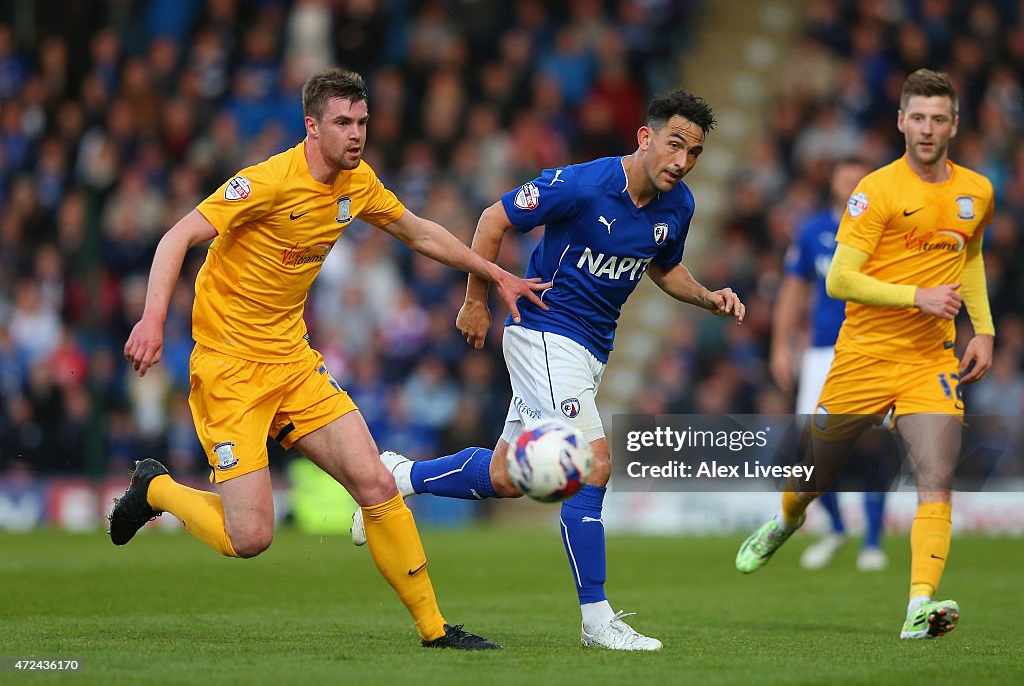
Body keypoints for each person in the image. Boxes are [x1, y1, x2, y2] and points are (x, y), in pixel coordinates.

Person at [110, 67, 552, 650]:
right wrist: (152, 318)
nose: (356, 134)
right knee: (252, 537)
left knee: (375, 481)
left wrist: (493, 273)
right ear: (312, 127)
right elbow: (175, 238)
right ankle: (156, 489)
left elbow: (418, 233)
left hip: (292, 361)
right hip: (229, 370)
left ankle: (435, 629)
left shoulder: (357, 183)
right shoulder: (265, 182)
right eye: (343, 123)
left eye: (363, 122)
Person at [352, 91, 745, 650]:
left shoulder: (677, 206)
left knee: (508, 477)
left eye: (694, 153)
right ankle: (597, 620)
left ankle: (400, 477)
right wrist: (475, 301)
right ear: (645, 137)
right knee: (593, 465)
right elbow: (493, 219)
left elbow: (665, 268)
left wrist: (708, 298)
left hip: (590, 352)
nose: (681, 162)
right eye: (675, 145)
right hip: (543, 332)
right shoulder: (582, 185)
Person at [736, 69, 995, 640]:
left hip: (931, 359)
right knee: (815, 477)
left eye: (938, 119)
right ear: (902, 121)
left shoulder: (977, 191)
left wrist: (984, 329)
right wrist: (917, 296)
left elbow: (968, 256)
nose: (928, 129)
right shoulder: (874, 192)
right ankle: (784, 520)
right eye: (918, 118)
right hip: (862, 357)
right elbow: (840, 281)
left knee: (936, 478)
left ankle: (918, 608)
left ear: (954, 124)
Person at [770, 157, 890, 573]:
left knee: (871, 441)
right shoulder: (814, 230)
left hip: (872, 347)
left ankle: (873, 540)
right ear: (835, 186)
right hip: (823, 350)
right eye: (844, 179)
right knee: (813, 445)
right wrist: (779, 346)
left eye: (859, 179)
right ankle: (836, 527)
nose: (852, 185)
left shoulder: (885, 229)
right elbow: (793, 290)